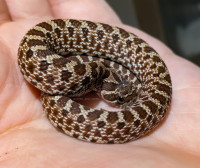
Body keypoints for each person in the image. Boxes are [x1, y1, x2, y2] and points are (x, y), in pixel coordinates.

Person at [0, 0, 200, 167]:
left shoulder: (109, 77)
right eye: (121, 98)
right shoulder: (89, 73)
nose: (128, 102)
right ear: (98, 88)